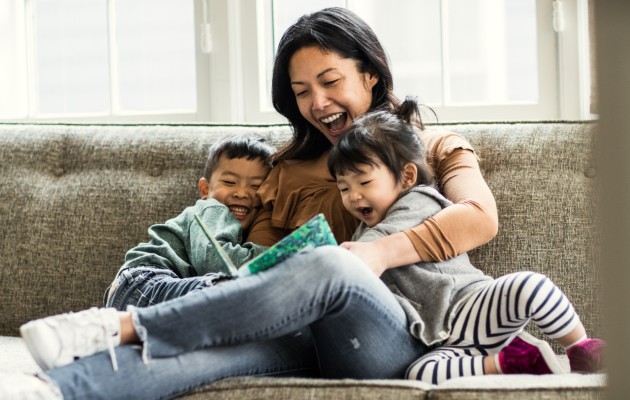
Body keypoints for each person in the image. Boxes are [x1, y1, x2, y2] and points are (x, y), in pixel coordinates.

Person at [2, 7, 502, 399]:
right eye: (302, 91)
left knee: (331, 265)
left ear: (370, 75)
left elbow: (480, 218)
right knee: (207, 352)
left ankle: (121, 326)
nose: (318, 104)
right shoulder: (284, 169)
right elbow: (258, 269)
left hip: (394, 336)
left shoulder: (433, 147)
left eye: (330, 82)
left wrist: (378, 252)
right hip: (296, 335)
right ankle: (50, 390)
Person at [326, 99, 606, 385]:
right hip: (443, 339)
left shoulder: (418, 201)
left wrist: (336, 260)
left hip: (472, 306)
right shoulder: (362, 236)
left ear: (407, 176)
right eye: (344, 188)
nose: (353, 196)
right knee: (418, 372)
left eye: (364, 183)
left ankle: (580, 347)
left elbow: (378, 242)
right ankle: (511, 362)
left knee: (530, 286)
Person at [103, 135, 274, 311]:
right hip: (144, 282)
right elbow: (213, 260)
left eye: (255, 186)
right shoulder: (211, 209)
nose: (241, 193)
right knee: (222, 290)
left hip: (139, 293)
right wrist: (276, 255)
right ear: (205, 190)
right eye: (230, 182)